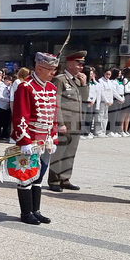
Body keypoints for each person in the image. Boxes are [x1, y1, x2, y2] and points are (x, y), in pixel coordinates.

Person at [12, 53, 59, 225]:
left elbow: (52, 116)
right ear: (39, 68)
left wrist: (53, 137)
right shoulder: (26, 87)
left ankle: (35, 210)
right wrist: (24, 141)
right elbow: (20, 116)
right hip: (31, 138)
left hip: (45, 139)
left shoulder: (51, 88)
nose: (53, 73)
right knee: (26, 176)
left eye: (54, 69)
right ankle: (26, 212)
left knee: (39, 177)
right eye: (51, 69)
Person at [48, 51, 89, 192]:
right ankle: (54, 180)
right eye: (78, 64)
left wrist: (84, 84)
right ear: (70, 64)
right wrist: (60, 123)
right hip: (65, 122)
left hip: (76, 122)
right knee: (59, 153)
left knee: (70, 152)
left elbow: (84, 99)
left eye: (81, 65)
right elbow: (56, 103)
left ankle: (65, 179)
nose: (81, 67)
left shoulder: (77, 80)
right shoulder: (60, 80)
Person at [119, 67, 130, 136]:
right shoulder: (125, 80)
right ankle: (121, 130)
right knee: (124, 114)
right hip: (127, 96)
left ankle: (126, 130)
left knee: (129, 114)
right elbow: (126, 90)